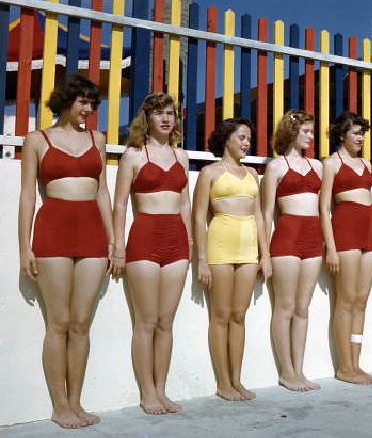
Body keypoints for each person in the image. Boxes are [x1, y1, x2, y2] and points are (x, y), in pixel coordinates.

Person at [18, 75, 113, 428]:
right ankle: (59, 405)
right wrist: (23, 245)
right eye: (83, 102)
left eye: (92, 103)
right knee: (58, 322)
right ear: (66, 101)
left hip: (91, 231)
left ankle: (76, 401)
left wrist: (113, 239)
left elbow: (103, 191)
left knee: (81, 323)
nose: (88, 109)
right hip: (53, 229)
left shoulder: (98, 140)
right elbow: (28, 194)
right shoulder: (37, 140)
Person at [112, 93, 191, 414]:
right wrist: (117, 247)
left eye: (170, 113)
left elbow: (185, 204)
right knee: (145, 322)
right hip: (143, 238)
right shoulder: (132, 155)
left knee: (165, 322)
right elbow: (119, 205)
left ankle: (161, 389)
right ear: (147, 118)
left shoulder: (181, 156)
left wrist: (191, 244)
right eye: (159, 113)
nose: (166, 119)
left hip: (177, 241)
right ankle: (147, 393)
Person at [193, 118, 271, 401]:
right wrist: (201, 259)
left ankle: (237, 379)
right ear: (226, 138)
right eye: (241, 137)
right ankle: (223, 382)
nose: (246, 143)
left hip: (249, 247)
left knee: (239, 315)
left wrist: (266, 254)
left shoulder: (252, 173)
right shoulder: (209, 173)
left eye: (248, 138)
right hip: (220, 246)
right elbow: (199, 217)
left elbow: (260, 217)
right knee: (221, 315)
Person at [320, 112, 372, 385]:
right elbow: (324, 207)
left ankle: (356, 363)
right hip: (345, 229)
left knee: (361, 300)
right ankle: (344, 366)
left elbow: (371, 202)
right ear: (342, 134)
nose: (360, 138)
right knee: (345, 301)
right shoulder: (331, 163)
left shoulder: (365, 162)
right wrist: (331, 248)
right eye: (356, 133)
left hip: (369, 229)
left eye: (362, 133)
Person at [261, 110, 323, 391]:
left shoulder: (318, 167)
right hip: (286, 237)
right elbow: (265, 214)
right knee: (284, 307)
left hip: (313, 237)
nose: (311, 136)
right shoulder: (276, 167)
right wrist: (263, 253)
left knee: (302, 308)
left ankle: (299, 369)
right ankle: (285, 371)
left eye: (312, 131)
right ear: (292, 131)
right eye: (307, 131)